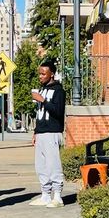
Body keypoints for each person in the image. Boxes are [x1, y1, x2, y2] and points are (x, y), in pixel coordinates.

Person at [29, 60, 66, 208]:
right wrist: (35, 132)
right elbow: (39, 114)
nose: (40, 76)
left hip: (52, 132)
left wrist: (43, 100)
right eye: (40, 73)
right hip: (41, 133)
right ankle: (45, 195)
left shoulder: (58, 91)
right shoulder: (42, 89)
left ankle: (57, 196)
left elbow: (58, 112)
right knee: (41, 166)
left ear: (52, 74)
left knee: (53, 165)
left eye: (43, 74)